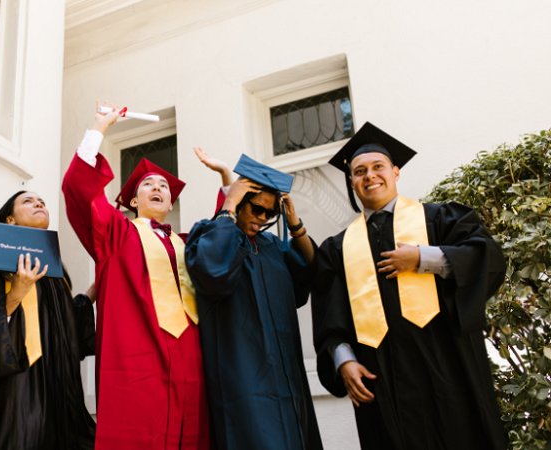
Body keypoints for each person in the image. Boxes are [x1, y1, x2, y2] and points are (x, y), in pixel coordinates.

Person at [310, 122, 507, 450]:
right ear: (352, 182)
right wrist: (343, 361)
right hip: (381, 379)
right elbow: (331, 313)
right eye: (359, 171)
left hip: (447, 366)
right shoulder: (339, 248)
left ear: (396, 172)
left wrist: (421, 258)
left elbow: (486, 256)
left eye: (378, 167)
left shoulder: (440, 219)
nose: (369, 176)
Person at [62, 101, 230, 450]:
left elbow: (225, 235)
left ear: (170, 204)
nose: (157, 188)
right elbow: (80, 191)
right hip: (138, 363)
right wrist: (99, 129)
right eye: (148, 185)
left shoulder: (189, 245)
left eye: (164, 187)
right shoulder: (116, 235)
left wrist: (226, 178)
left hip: (191, 361)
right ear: (132, 202)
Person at [186, 155, 324, 450]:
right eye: (257, 209)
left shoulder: (273, 246)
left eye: (269, 215)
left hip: (286, 373)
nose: (263, 219)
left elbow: (313, 273)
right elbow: (214, 271)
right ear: (240, 201)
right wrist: (228, 204)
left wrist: (294, 223)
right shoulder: (209, 234)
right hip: (243, 373)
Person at [0, 190, 97, 450]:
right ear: (10, 220)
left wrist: (96, 288)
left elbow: (67, 322)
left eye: (42, 202)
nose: (39, 203)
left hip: (60, 381)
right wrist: (16, 292)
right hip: (17, 384)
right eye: (27, 201)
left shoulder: (54, 269)